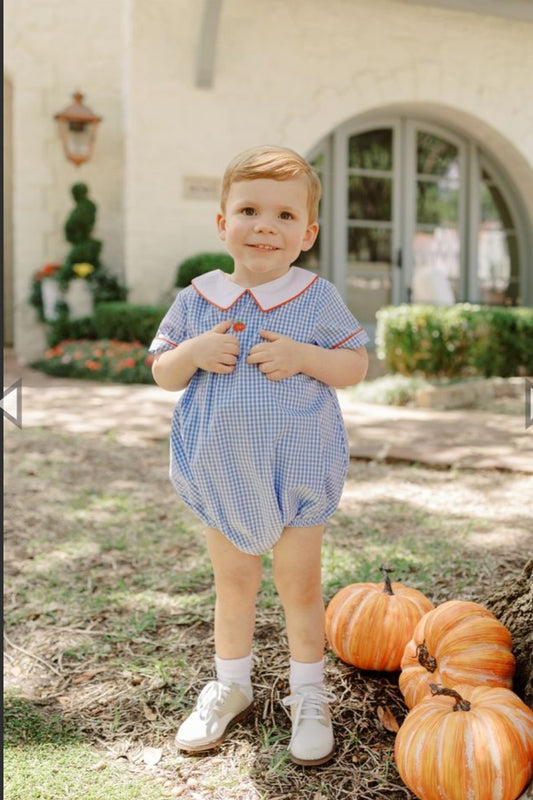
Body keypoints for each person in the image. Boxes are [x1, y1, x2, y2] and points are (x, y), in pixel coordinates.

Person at [150, 145, 369, 765]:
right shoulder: (199, 298)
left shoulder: (316, 298)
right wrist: (192, 353)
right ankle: (231, 684)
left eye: (283, 215)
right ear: (223, 223)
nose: (265, 226)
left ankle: (308, 692)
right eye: (248, 209)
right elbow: (164, 372)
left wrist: (304, 357)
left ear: (307, 232)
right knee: (234, 582)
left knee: (299, 585)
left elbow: (354, 364)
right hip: (225, 472)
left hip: (298, 468)